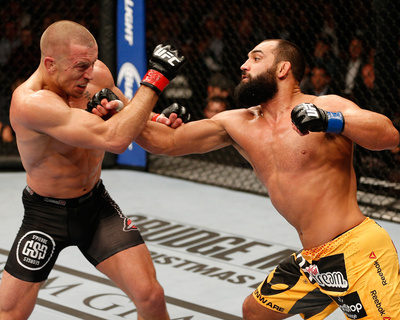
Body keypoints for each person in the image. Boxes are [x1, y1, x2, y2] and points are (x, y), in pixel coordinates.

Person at [133, 39, 400, 319]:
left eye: (256, 58)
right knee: (255, 311)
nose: (243, 65)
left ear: (283, 69)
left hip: (357, 250)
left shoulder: (325, 104)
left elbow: (388, 135)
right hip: (313, 260)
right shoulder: (237, 123)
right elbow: (166, 141)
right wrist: (121, 108)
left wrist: (330, 119)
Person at [0, 20, 186, 320]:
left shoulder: (95, 74)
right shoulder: (30, 102)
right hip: (46, 216)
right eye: (81, 66)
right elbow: (115, 138)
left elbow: (128, 112)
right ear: (50, 64)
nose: (90, 74)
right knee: (10, 313)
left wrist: (157, 119)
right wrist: (156, 80)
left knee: (151, 296)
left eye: (93, 62)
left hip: (96, 208)